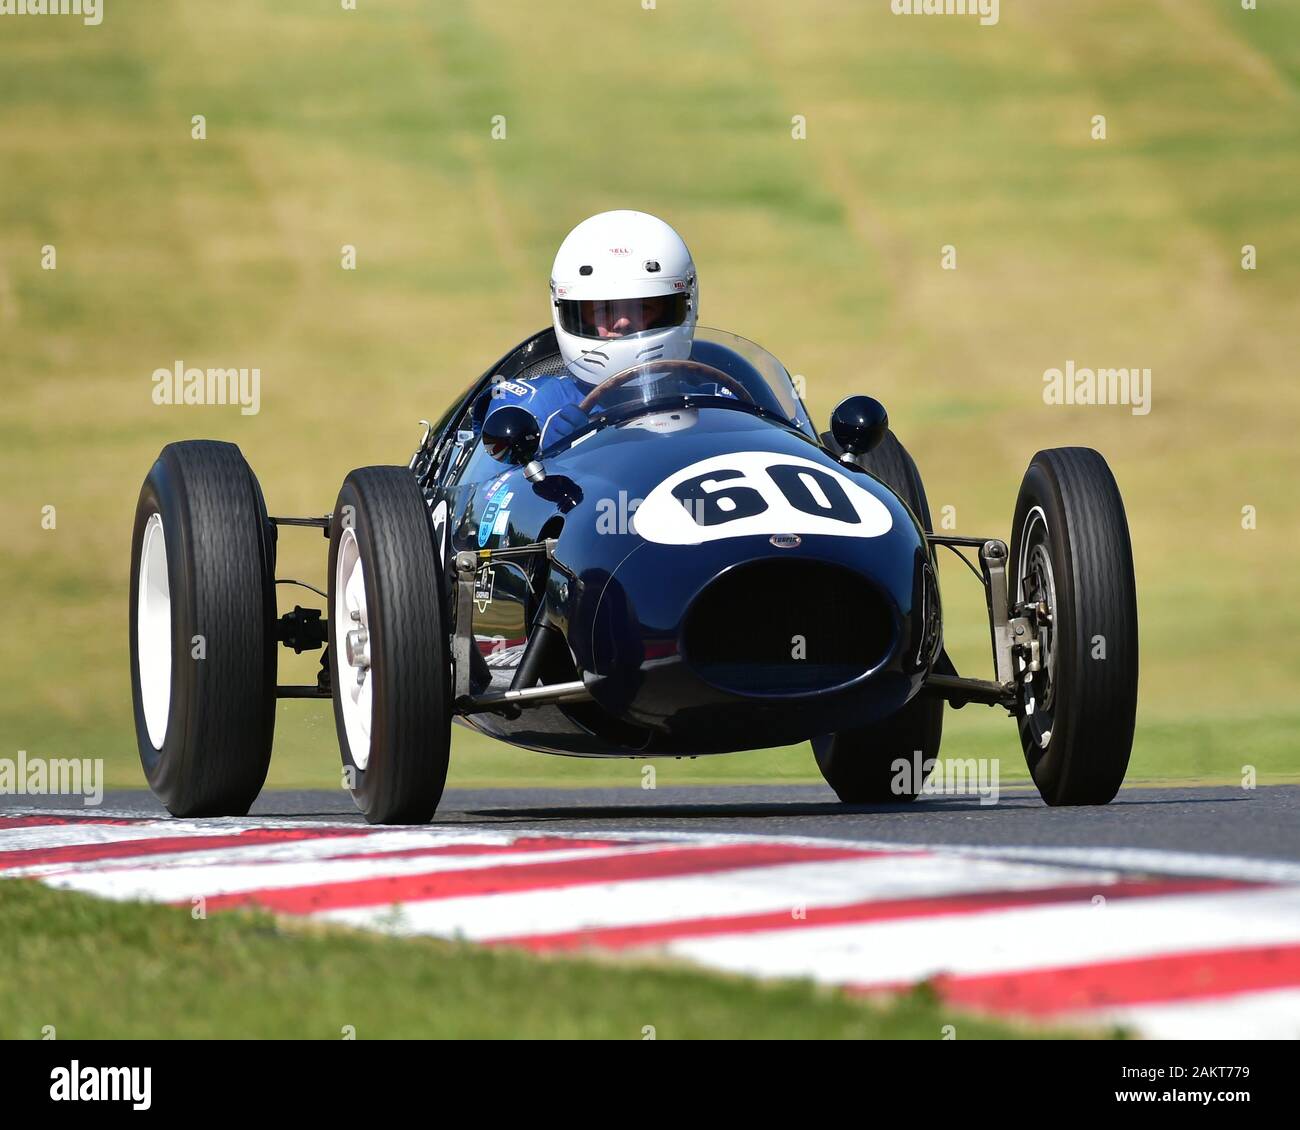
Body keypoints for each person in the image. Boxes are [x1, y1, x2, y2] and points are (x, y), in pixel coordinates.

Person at [482, 210, 699, 450]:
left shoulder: (720, 395)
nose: (623, 323)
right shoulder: (528, 407)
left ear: (682, 306)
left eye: (643, 308)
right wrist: (538, 456)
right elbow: (488, 483)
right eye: (603, 310)